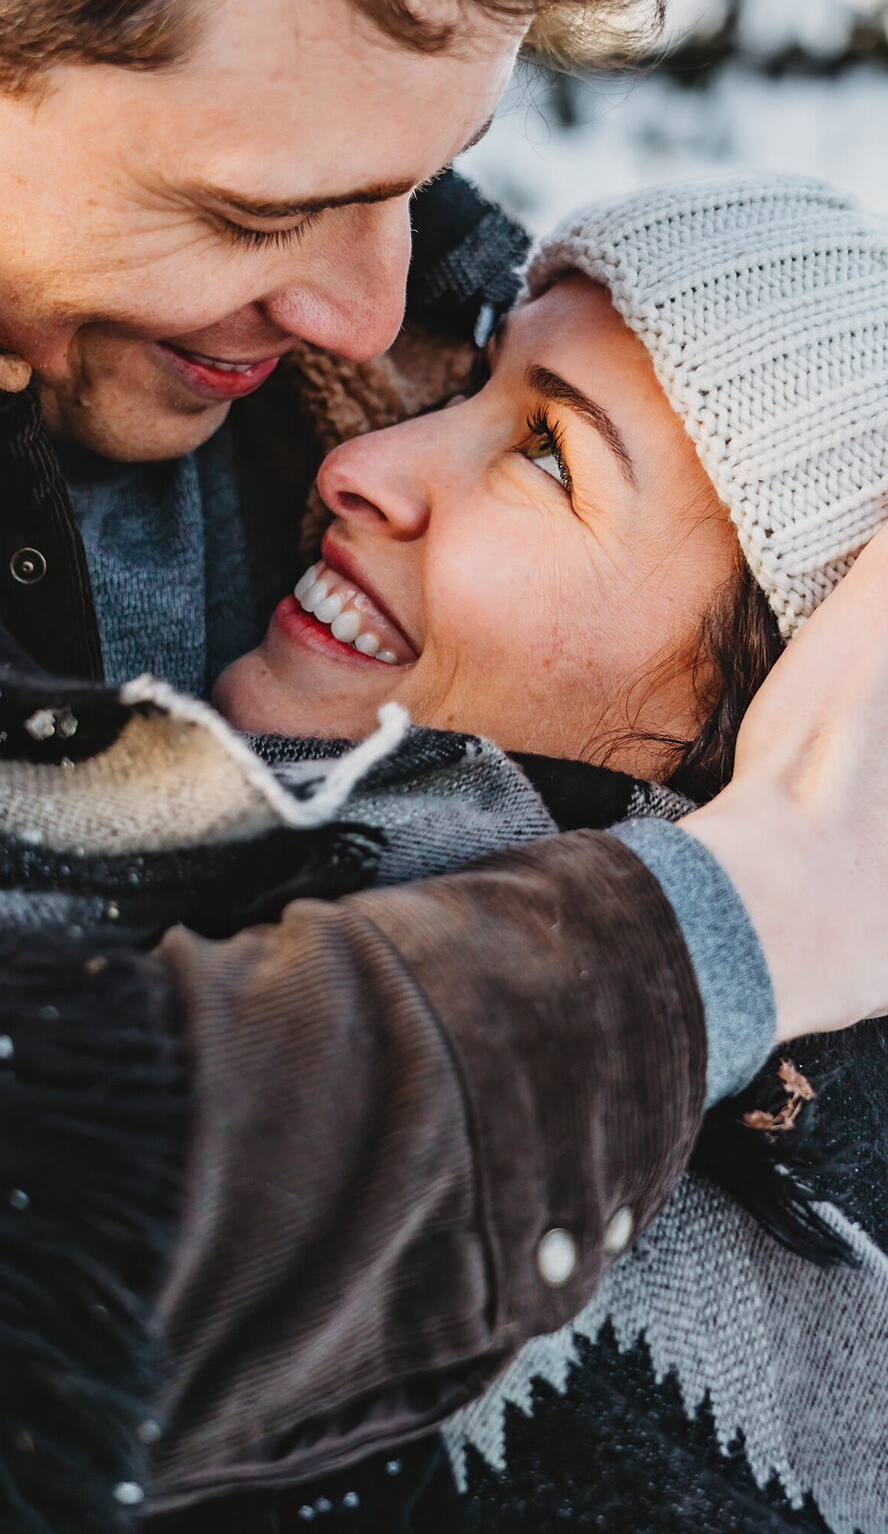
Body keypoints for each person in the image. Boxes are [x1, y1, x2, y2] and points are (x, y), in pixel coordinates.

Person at [0, 0, 888, 1529]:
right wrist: (718, 935)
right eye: (256, 210)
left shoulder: (370, 281)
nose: (374, 313)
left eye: (431, 172)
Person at [208, 173, 888, 1530]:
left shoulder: (622, 1393)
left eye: (546, 457)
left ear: (751, 727)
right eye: (474, 385)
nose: (366, 465)